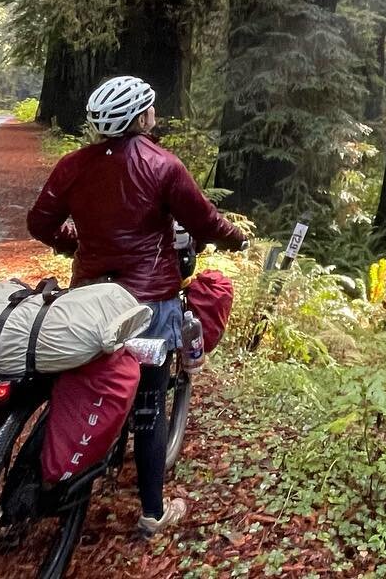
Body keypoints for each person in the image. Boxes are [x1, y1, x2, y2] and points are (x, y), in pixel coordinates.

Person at [27, 75, 246, 537]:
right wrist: (237, 238)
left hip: (89, 299)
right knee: (149, 406)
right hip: (149, 303)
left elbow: (40, 222)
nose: (154, 115)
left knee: (78, 380)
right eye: (151, 109)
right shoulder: (163, 165)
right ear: (142, 117)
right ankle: (152, 513)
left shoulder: (72, 166)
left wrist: (73, 246)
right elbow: (203, 221)